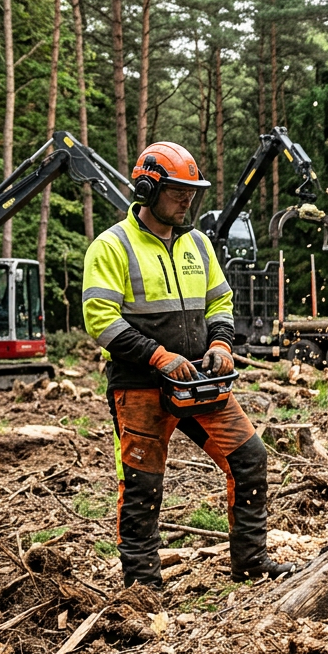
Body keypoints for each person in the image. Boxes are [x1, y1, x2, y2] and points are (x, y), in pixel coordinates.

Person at [82, 141, 296, 589]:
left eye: (192, 191)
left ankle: (251, 564)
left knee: (249, 458)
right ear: (148, 189)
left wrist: (221, 341)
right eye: (178, 190)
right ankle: (143, 589)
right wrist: (158, 356)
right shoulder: (112, 246)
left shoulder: (198, 243)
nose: (188, 199)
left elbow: (219, 299)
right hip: (139, 383)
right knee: (142, 486)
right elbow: (99, 318)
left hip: (199, 379)